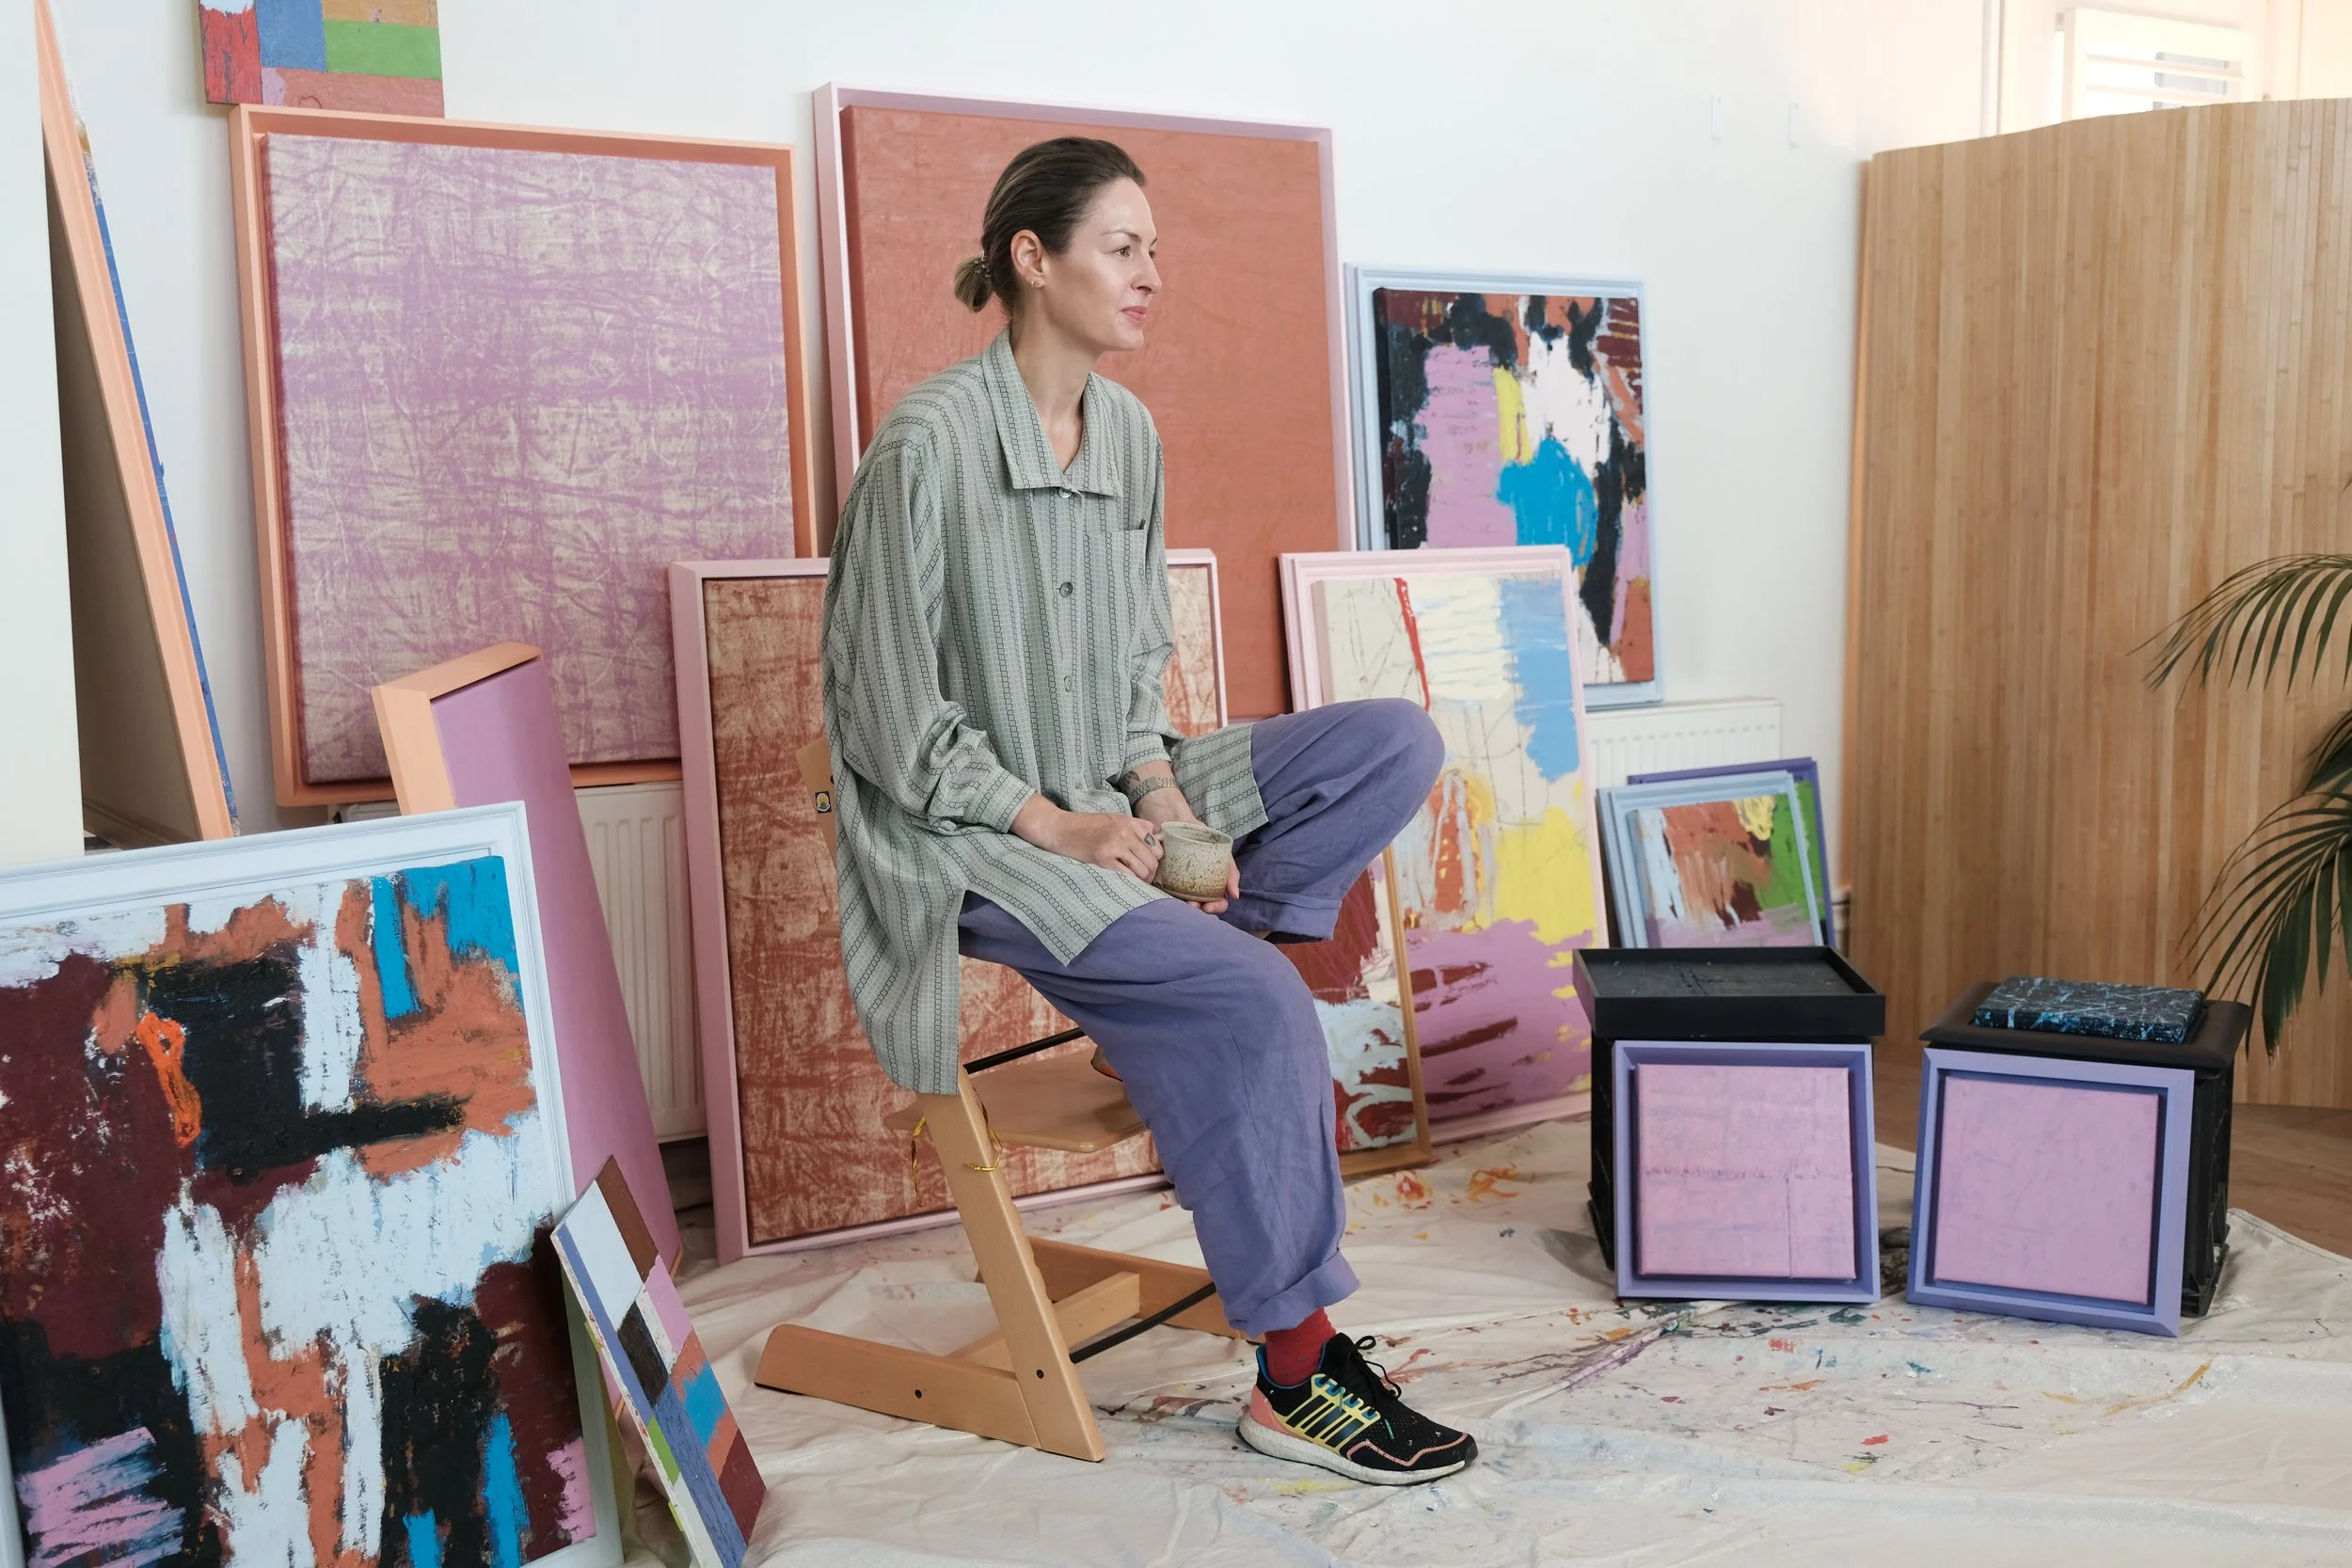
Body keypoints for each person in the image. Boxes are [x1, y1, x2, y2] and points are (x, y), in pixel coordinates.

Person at [820, 135, 1476, 1486]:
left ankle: (1227, 962)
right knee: (1254, 1008)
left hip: (1113, 793)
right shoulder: (927, 445)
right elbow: (882, 716)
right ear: (1031, 258)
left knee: (1392, 743)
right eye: (1124, 247)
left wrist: (1164, 795)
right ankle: (1297, 1375)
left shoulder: (1128, 435)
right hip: (972, 838)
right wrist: (1058, 824)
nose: (1152, 276)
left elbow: (1130, 667)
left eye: (1156, 250)